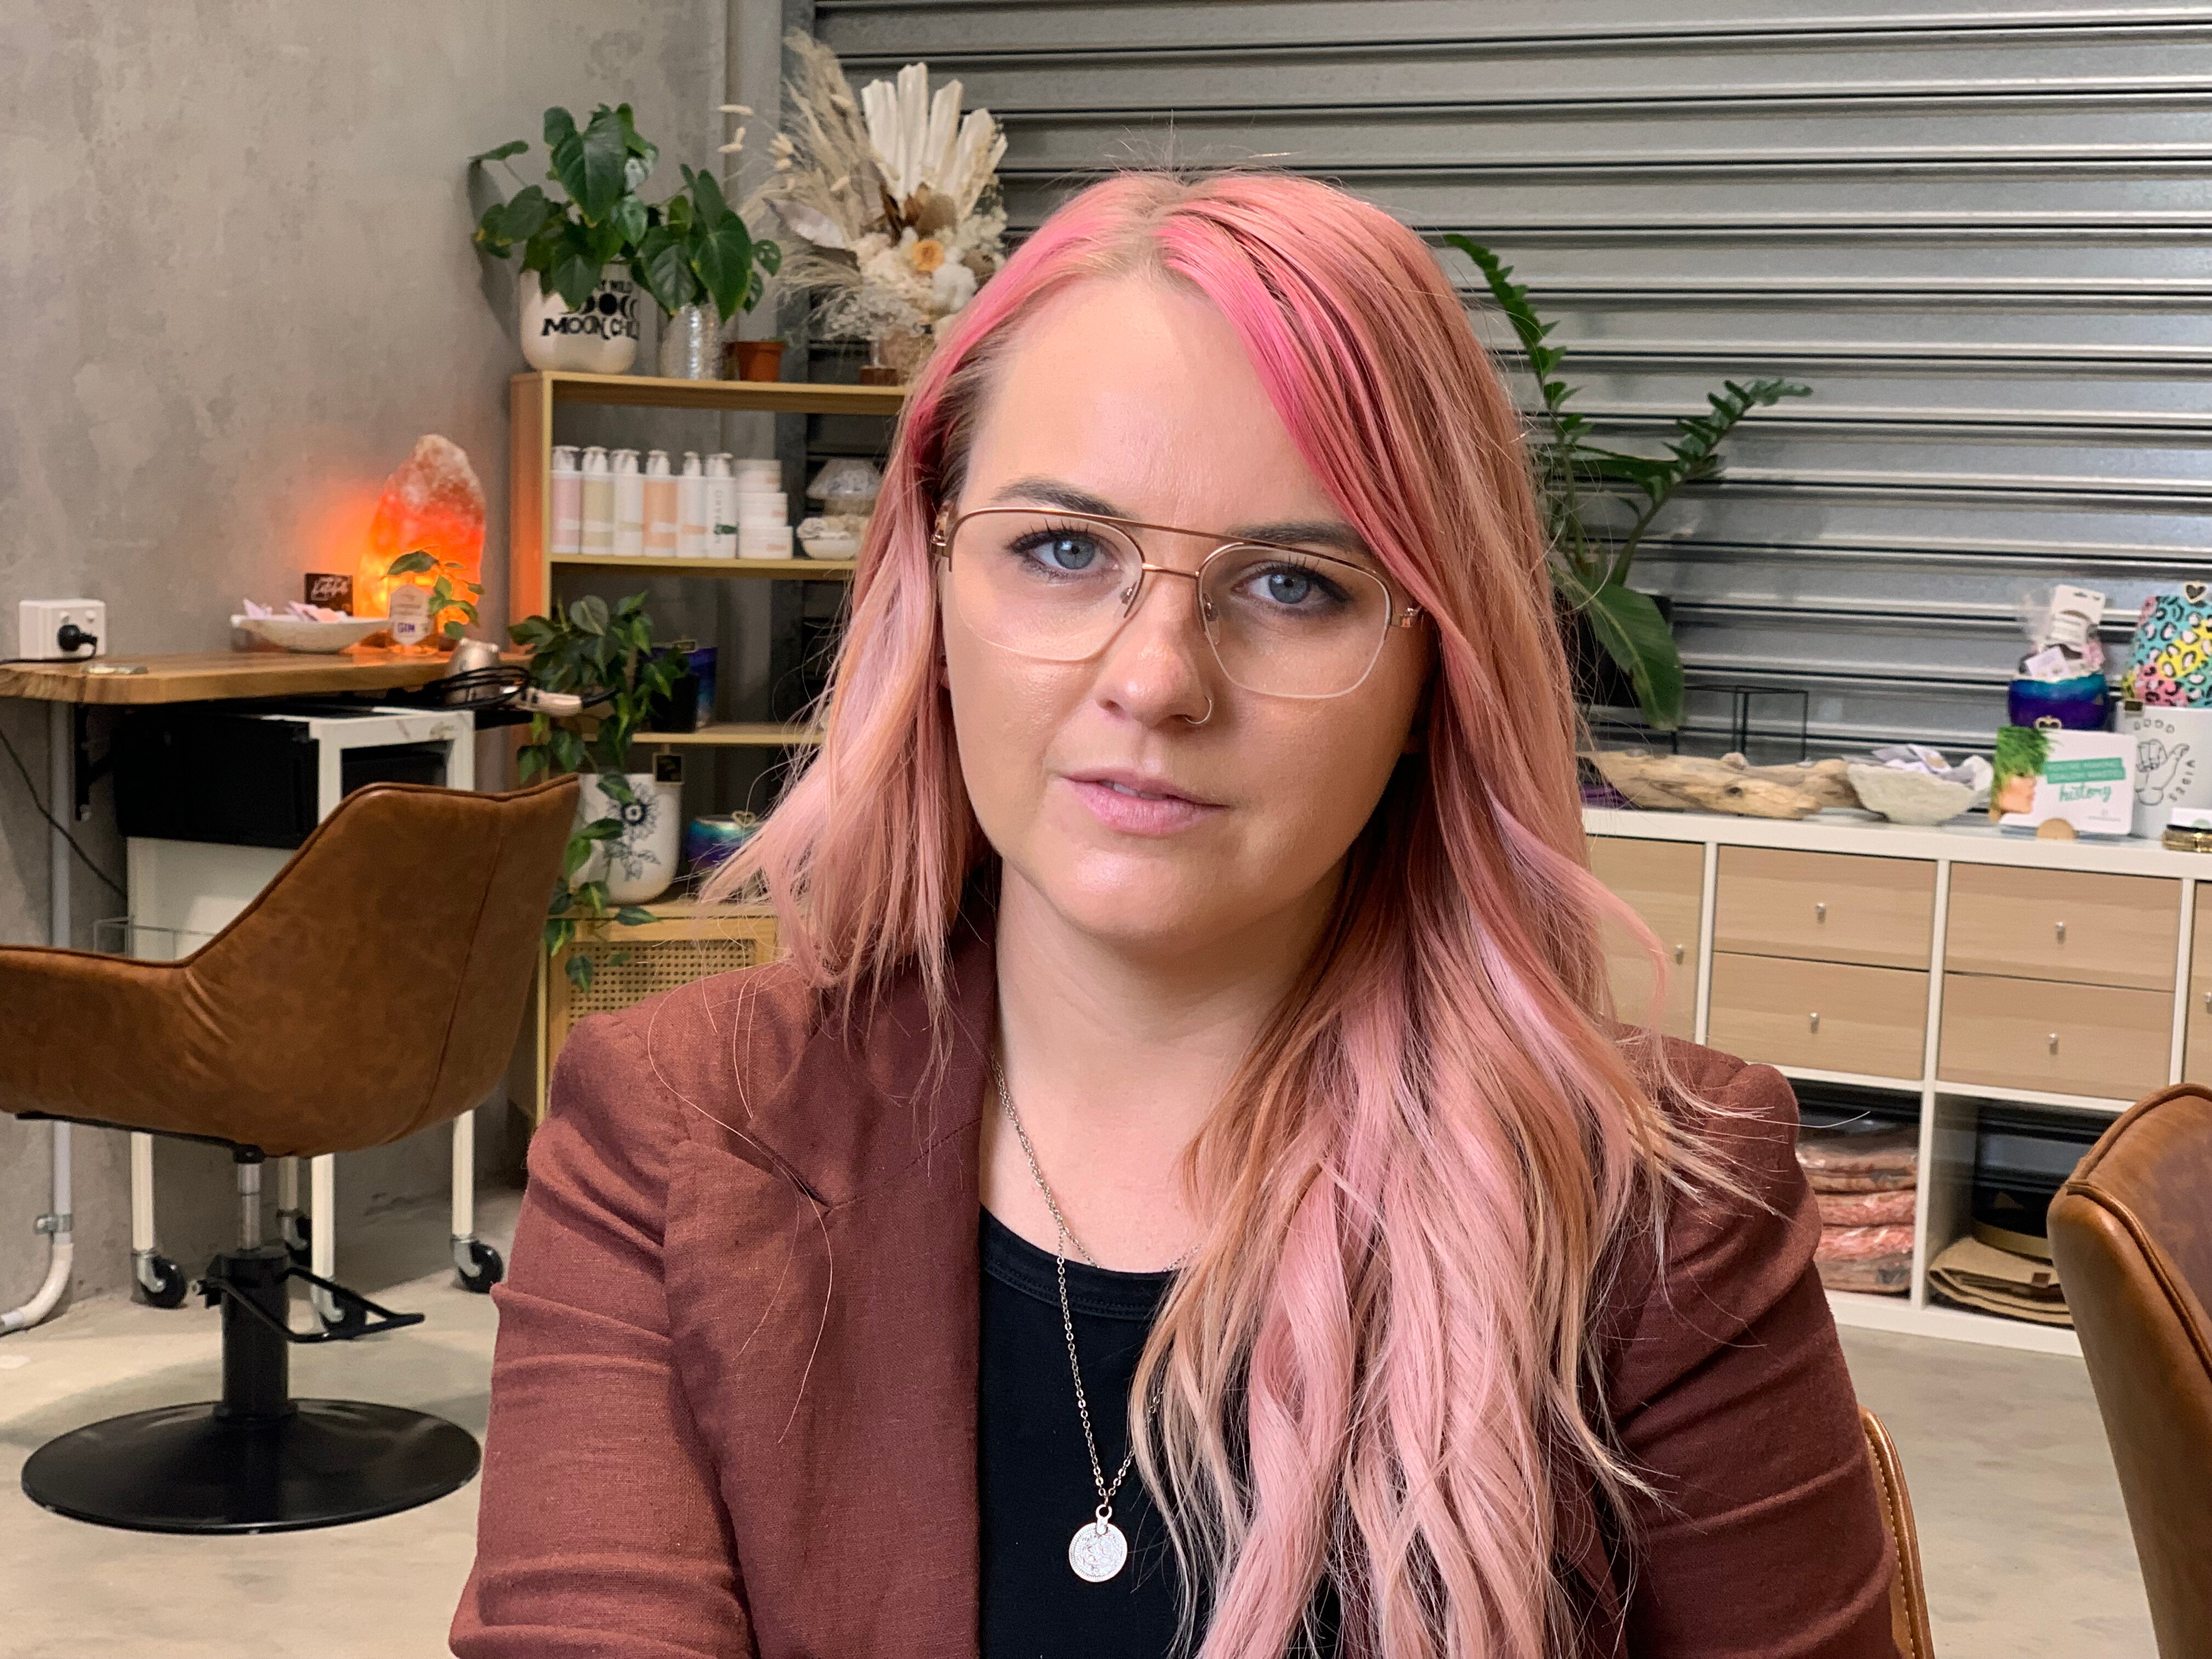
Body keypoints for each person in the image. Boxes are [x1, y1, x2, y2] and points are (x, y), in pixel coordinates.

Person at [453, 171, 1897, 1659]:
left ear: (1431, 680)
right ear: (932, 587)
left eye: (1292, 582)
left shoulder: (1661, 1216)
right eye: (1063, 551)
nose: (1155, 682)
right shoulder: (673, 1137)